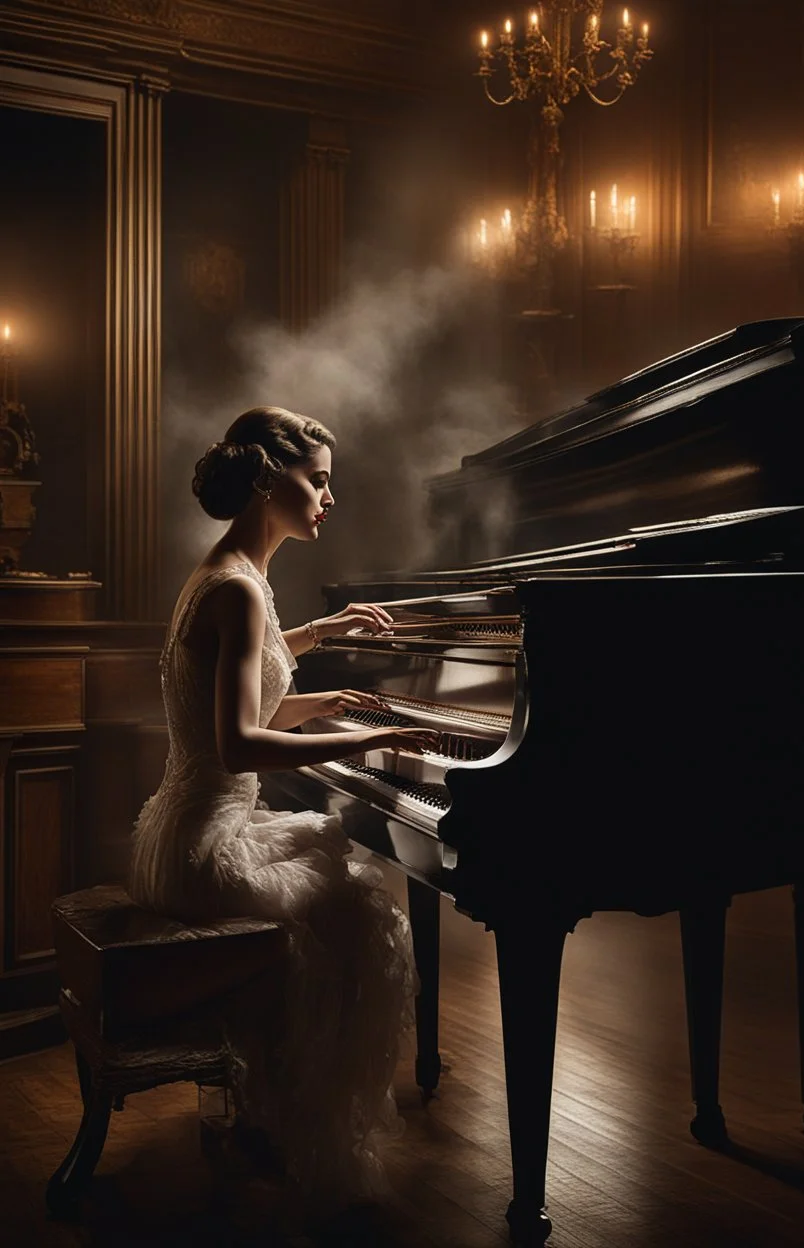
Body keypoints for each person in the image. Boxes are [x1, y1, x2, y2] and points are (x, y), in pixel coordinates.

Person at [128, 406, 439, 1225]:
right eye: (319, 479)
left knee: (339, 894)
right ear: (271, 480)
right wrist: (373, 733)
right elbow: (237, 744)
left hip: (180, 829)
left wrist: (323, 644)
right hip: (206, 847)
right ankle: (304, 1133)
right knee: (363, 918)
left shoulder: (232, 574)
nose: (329, 496)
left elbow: (250, 682)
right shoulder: (239, 588)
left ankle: (265, 1113)